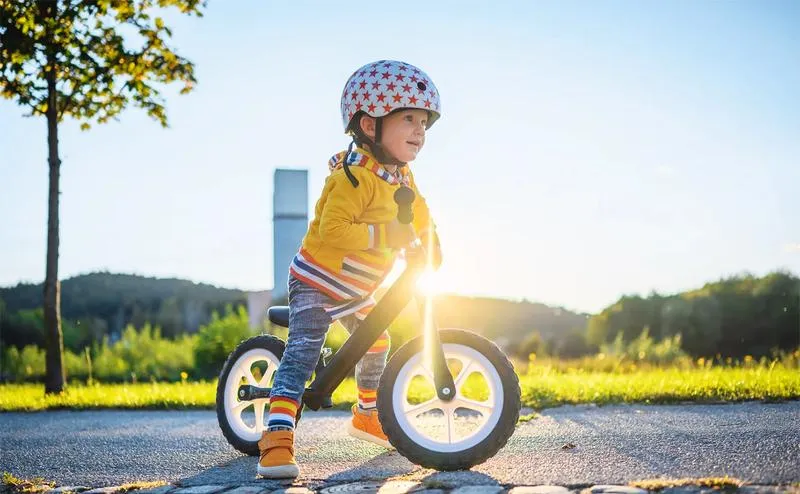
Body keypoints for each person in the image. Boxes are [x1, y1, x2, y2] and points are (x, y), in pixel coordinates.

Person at [256, 60, 444, 479]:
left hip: (359, 286)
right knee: (305, 348)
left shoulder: (403, 178)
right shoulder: (351, 179)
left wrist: (432, 244)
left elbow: (421, 217)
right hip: (316, 281)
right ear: (369, 124)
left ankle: (366, 413)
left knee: (376, 341)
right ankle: (276, 436)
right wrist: (386, 238)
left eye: (425, 122)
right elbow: (334, 231)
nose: (420, 130)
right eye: (408, 118)